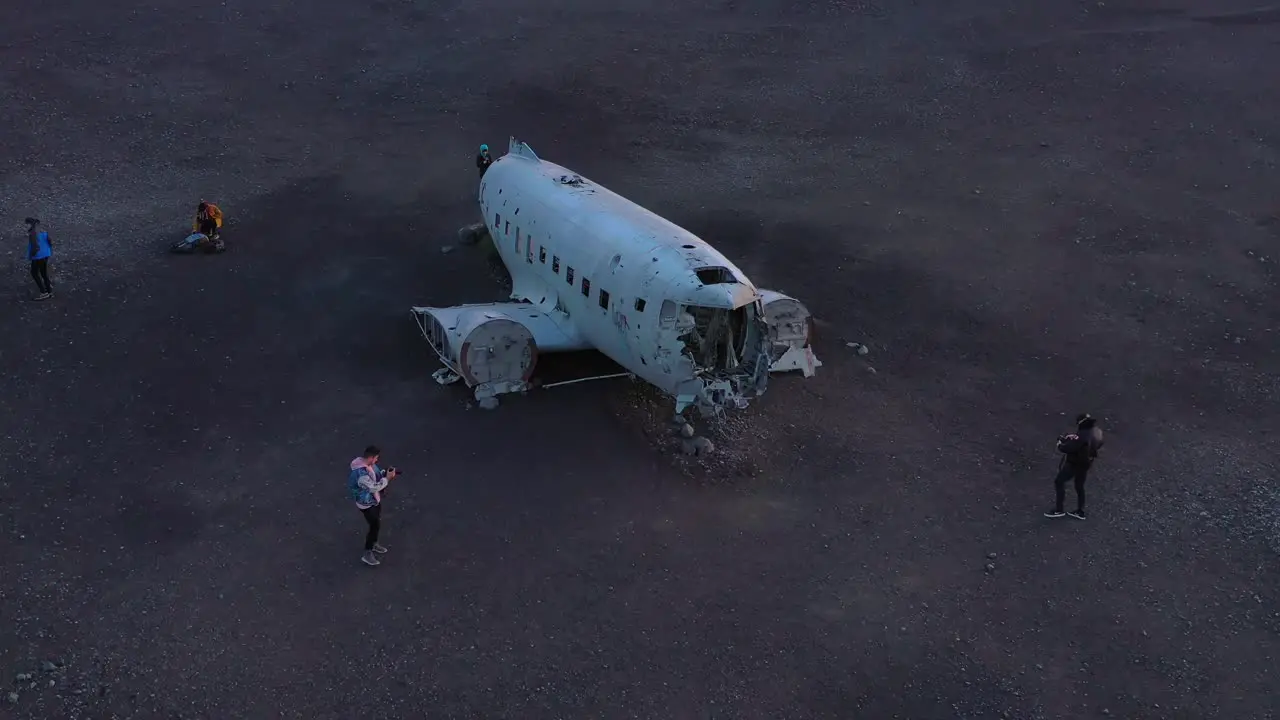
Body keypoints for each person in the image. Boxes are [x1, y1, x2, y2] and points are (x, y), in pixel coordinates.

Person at [1044, 413, 1105, 520]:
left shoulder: (1081, 435)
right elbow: (1096, 443)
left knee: (1059, 481)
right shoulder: (1096, 432)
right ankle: (1080, 511)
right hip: (1086, 463)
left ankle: (1059, 510)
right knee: (1079, 486)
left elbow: (1068, 448)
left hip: (1074, 463)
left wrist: (1060, 444)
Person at [348, 445, 399, 566]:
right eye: (376, 458)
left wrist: (384, 473)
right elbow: (373, 487)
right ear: (371, 457)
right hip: (366, 504)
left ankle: (374, 543)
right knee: (374, 526)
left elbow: (376, 475)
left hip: (374, 500)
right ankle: (368, 552)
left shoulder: (369, 465)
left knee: (376, 524)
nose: (377, 460)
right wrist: (387, 479)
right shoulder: (361, 475)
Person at [25, 217, 53, 300]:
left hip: (38, 257)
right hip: (46, 255)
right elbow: (50, 241)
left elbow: (35, 247)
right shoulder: (43, 231)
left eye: (27, 224)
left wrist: (31, 256)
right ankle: (49, 291)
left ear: (31, 224)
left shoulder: (32, 234)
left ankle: (43, 292)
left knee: (34, 273)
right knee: (44, 273)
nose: (26, 226)